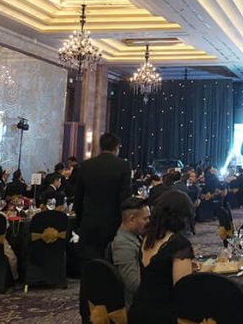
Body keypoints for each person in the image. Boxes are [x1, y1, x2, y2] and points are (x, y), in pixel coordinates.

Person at [129, 191, 196, 324]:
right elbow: (182, 291)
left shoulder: (148, 237)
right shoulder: (179, 245)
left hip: (138, 310)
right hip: (164, 315)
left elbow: (157, 273)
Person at [74, 132, 133, 261]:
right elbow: (125, 198)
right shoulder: (123, 166)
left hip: (89, 222)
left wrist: (79, 222)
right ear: (116, 147)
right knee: (109, 262)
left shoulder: (86, 165)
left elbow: (78, 197)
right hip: (113, 223)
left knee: (88, 263)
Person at [109, 196, 150, 308]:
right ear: (132, 219)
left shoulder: (136, 236)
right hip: (136, 306)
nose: (149, 222)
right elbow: (134, 285)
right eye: (145, 219)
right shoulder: (123, 245)